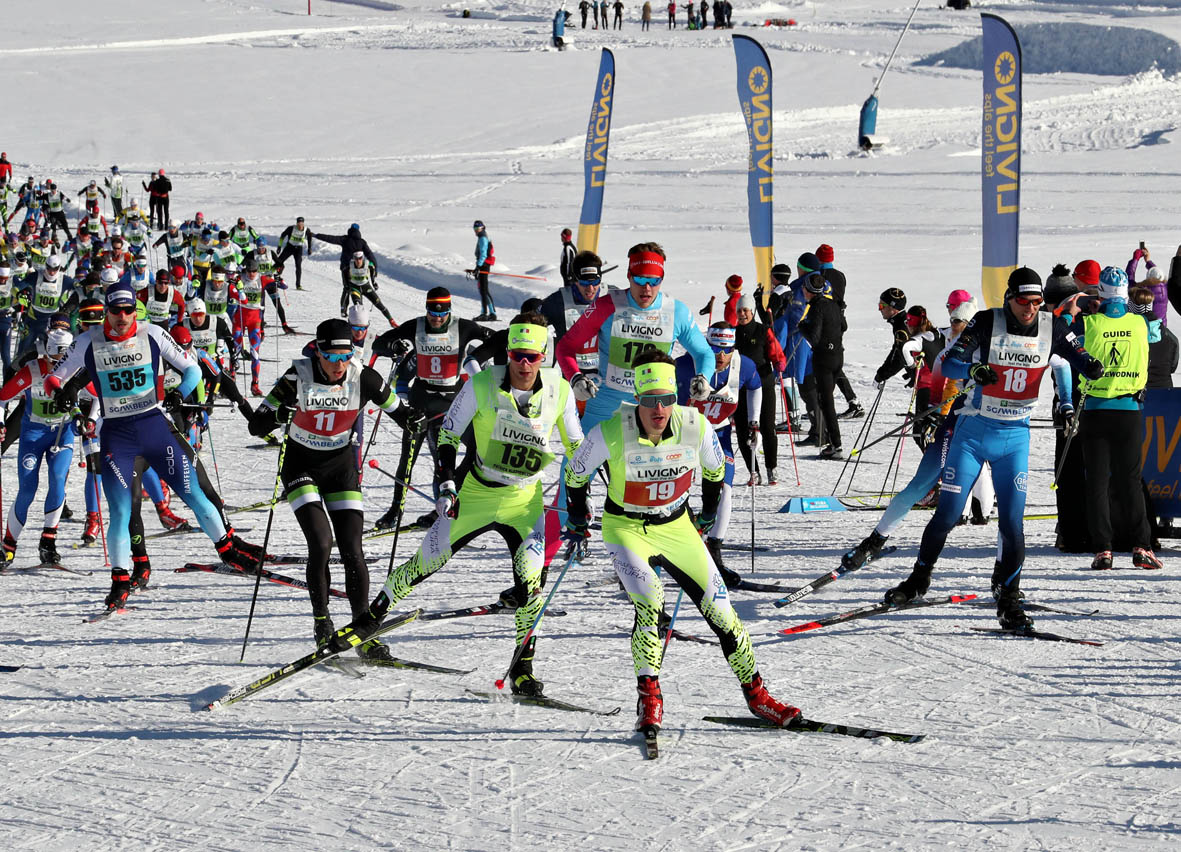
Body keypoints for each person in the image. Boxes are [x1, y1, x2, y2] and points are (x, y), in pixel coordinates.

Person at [330, 314, 582, 693]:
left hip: (523, 502)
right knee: (422, 564)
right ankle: (369, 621)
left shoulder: (559, 391)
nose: (523, 364)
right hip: (476, 494)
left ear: (543, 355)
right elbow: (447, 433)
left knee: (531, 586)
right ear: (507, 353)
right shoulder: (482, 384)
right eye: (516, 355)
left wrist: (581, 501)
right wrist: (446, 480)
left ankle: (522, 668)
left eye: (531, 356)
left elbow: (577, 449)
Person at [564, 350, 801, 732]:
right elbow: (575, 475)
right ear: (637, 400)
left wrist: (706, 514)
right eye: (650, 401)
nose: (659, 409)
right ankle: (650, 698)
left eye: (667, 399)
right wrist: (577, 518)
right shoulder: (609, 431)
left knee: (725, 616)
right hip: (626, 530)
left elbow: (716, 470)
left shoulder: (697, 426)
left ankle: (758, 697)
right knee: (650, 602)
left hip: (677, 528)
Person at [886, 268, 1105, 631]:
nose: (1030, 309)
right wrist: (975, 369)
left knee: (1012, 525)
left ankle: (1008, 598)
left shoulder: (1052, 326)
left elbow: (1071, 359)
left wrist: (1089, 370)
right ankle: (918, 580)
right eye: (1023, 301)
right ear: (1010, 299)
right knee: (947, 514)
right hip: (972, 435)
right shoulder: (988, 322)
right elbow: (951, 361)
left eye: (1036, 302)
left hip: (1014, 439)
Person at [45, 283, 262, 610]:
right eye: (115, 311)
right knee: (120, 511)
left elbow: (192, 369)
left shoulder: (154, 334)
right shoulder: (88, 340)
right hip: (117, 436)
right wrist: (61, 393)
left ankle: (228, 550)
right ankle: (120, 579)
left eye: (127, 310)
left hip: (154, 427)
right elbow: (55, 377)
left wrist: (180, 393)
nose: (122, 317)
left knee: (194, 494)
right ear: (107, 311)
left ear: (135, 310)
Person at [249, 318, 420, 654]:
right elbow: (257, 424)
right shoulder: (296, 377)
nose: (340, 364)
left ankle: (362, 629)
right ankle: (322, 620)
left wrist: (413, 419)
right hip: (301, 465)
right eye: (332, 356)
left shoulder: (363, 377)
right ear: (318, 352)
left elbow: (401, 412)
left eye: (347, 356)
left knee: (353, 549)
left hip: (340, 468)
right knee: (322, 543)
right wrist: (280, 415)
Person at [555, 241, 714, 437]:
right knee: (576, 464)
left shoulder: (676, 312)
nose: (646, 288)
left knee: (668, 465)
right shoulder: (607, 306)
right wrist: (575, 377)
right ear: (629, 276)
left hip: (658, 405)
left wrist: (704, 377)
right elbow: (565, 347)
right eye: (639, 279)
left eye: (654, 281)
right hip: (607, 402)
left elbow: (703, 352)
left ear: (662, 279)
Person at [369, 287, 493, 529]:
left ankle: (450, 504)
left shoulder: (464, 327)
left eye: (442, 313)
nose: (437, 318)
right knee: (408, 458)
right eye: (432, 313)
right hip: (421, 402)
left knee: (460, 454)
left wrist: (486, 356)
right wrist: (393, 347)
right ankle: (395, 510)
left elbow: (496, 339)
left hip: (452, 403)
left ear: (450, 310)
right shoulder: (415, 326)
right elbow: (380, 343)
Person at [1070, 267, 1159, 571]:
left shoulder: (1089, 323)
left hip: (1095, 410)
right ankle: (1142, 546)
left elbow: (1064, 333)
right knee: (1129, 481)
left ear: (1101, 293)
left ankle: (1102, 549)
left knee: (1096, 482)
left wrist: (1080, 307)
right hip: (1129, 411)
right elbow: (1158, 334)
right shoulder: (1139, 322)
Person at [677, 323, 761, 587]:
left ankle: (714, 550)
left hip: (719, 433)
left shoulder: (743, 366)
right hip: (685, 432)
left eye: (726, 349)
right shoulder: (685, 365)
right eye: (714, 349)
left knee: (726, 487)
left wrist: (754, 422)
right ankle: (680, 545)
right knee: (678, 486)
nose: (720, 356)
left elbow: (756, 386)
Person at [0, 329, 81, 566]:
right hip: (33, 434)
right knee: (27, 489)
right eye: (58, 358)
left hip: (61, 433)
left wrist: (90, 420)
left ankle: (48, 543)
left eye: (66, 356)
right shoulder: (33, 370)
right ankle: (8, 546)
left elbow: (96, 395)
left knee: (57, 480)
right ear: (47, 354)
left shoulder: (74, 369)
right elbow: (3, 397)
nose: (62, 363)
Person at [733, 292, 786, 484]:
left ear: (752, 312)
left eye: (745, 310)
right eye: (739, 311)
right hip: (740, 387)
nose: (742, 314)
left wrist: (780, 362)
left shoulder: (763, 331)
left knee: (767, 427)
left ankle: (772, 468)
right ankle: (753, 472)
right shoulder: (733, 333)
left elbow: (776, 351)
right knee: (742, 431)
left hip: (763, 384)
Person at [798, 272, 845, 458]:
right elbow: (844, 326)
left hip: (824, 359)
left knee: (826, 403)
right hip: (837, 356)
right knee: (827, 402)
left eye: (804, 288)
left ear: (809, 291)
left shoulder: (816, 307)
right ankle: (831, 441)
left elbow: (814, 338)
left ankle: (836, 446)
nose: (802, 290)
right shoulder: (832, 303)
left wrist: (803, 327)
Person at [815, 243, 862, 418]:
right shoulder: (840, 276)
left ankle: (822, 405)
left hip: (825, 325)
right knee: (834, 364)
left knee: (824, 364)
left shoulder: (820, 276)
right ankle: (852, 401)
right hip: (839, 322)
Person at [276, 216, 313, 290]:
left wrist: (309, 248)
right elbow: (282, 235)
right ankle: (274, 277)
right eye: (299, 223)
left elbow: (309, 238)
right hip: (290, 247)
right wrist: (279, 246)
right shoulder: (291, 228)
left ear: (303, 223)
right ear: (296, 223)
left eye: (301, 223)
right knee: (279, 261)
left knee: (298, 266)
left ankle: (298, 285)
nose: (300, 225)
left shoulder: (306, 230)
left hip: (298, 249)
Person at [471, 220, 496, 321]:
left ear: (482, 228)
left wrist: (478, 267)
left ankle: (485, 313)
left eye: (478, 229)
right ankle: (491, 313)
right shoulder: (483, 236)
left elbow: (483, 254)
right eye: (475, 229)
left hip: (484, 266)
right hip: (484, 265)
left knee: (483, 290)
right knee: (484, 290)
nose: (476, 231)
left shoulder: (482, 238)